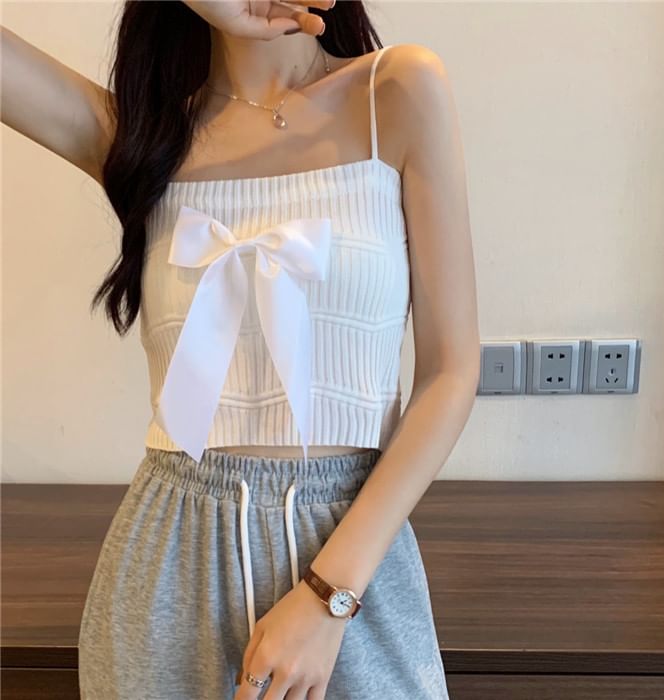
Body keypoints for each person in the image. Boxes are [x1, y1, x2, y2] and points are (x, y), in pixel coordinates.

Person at [1, 1, 480, 698]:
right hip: (167, 564)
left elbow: (451, 371)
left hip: (352, 560)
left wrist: (326, 596)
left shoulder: (398, 90)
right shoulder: (140, 138)